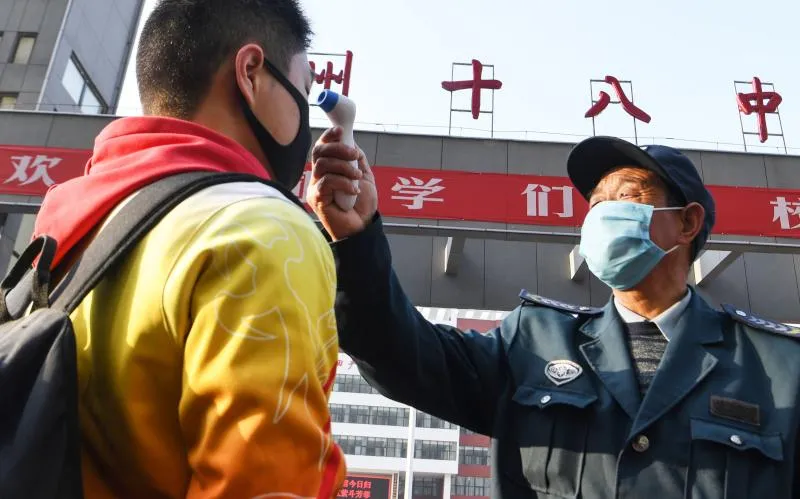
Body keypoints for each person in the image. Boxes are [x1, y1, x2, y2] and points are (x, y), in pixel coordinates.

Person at [308, 132, 800, 497]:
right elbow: (399, 352)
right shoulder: (534, 341)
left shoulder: (777, 367)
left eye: (626, 197)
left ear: (687, 222)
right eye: (596, 204)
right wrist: (355, 238)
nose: (604, 215)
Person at [31, 1, 347, 497]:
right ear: (251, 72)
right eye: (302, 93)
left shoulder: (67, 227)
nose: (304, 121)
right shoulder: (261, 230)